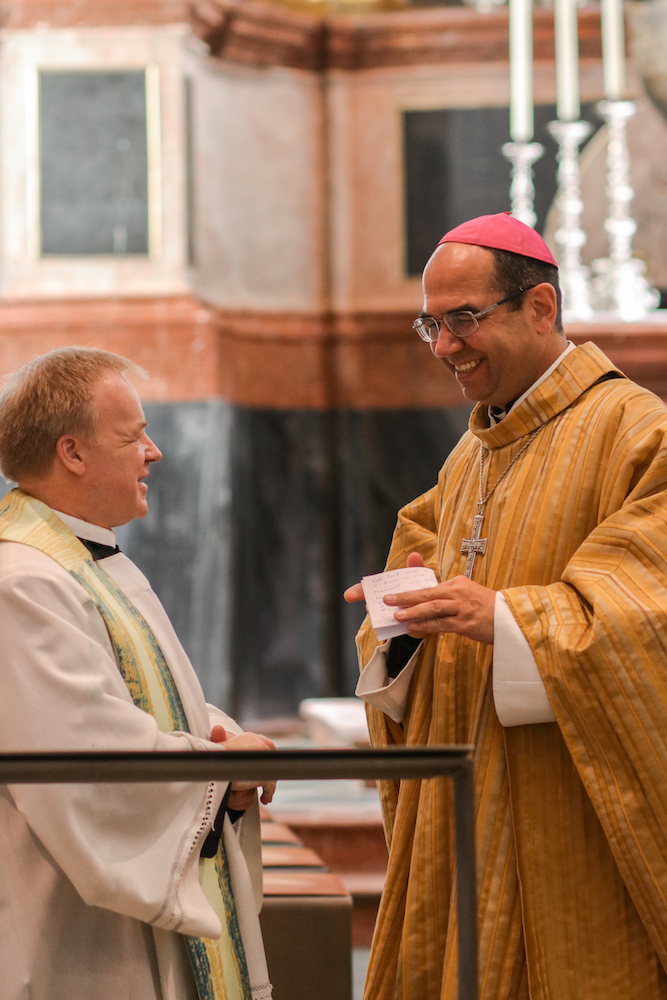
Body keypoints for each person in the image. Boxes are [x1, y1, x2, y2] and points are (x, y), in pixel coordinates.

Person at [345, 213, 667, 1000]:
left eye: (463, 319)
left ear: (541, 308)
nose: (444, 346)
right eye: (432, 324)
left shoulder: (639, 434)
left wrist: (509, 622)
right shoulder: (472, 453)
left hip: (569, 812)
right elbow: (421, 575)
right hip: (462, 799)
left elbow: (647, 613)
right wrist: (399, 619)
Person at [0, 347, 276, 1000]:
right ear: (72, 452)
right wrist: (219, 775)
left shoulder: (85, 561)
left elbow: (145, 707)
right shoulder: (23, 584)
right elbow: (80, 763)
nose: (153, 452)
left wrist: (219, 736)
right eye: (134, 436)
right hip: (79, 945)